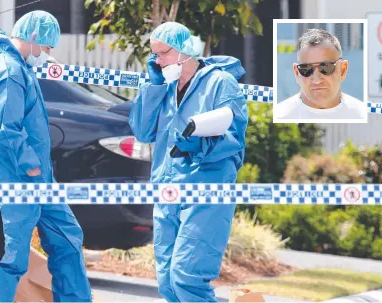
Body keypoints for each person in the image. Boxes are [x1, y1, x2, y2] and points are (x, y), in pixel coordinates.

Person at [0, 11, 92, 303]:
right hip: (14, 180)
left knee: (67, 240)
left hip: (38, 182)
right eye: (48, 48)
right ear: (35, 38)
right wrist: (32, 168)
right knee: (7, 257)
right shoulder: (9, 71)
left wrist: (39, 174)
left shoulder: (18, 67)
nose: (48, 55)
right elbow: (7, 130)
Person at [128, 22, 249, 302]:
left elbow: (234, 136)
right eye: (154, 55)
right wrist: (153, 87)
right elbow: (142, 131)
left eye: (163, 54)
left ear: (185, 51)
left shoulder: (220, 83)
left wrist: (200, 145)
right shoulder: (163, 86)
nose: (158, 61)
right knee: (168, 282)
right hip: (166, 190)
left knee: (188, 278)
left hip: (206, 190)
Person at [275, 28, 367, 120]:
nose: (317, 80)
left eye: (326, 67)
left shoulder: (361, 115)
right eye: (306, 68)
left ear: (343, 70)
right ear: (297, 73)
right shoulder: (280, 116)